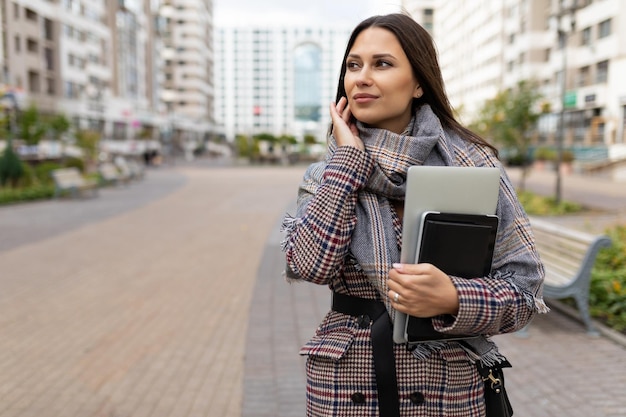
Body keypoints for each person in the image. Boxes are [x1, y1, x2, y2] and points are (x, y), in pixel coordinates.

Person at [281, 13, 546, 417]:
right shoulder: (328, 172)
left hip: (446, 389)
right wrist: (349, 162)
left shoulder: (474, 166)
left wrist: (454, 297)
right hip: (347, 388)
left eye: (382, 64)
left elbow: (524, 290)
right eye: (354, 65)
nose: (361, 78)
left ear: (419, 82)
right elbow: (309, 264)